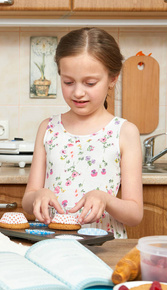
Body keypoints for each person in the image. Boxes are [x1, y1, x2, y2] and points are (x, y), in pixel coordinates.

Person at [22, 27, 143, 238]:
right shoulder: (48, 128)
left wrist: (105, 200)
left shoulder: (124, 132)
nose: (78, 92)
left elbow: (134, 214)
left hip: (103, 247)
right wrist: (38, 195)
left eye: (90, 83)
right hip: (51, 242)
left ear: (113, 78)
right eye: (68, 82)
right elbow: (27, 200)